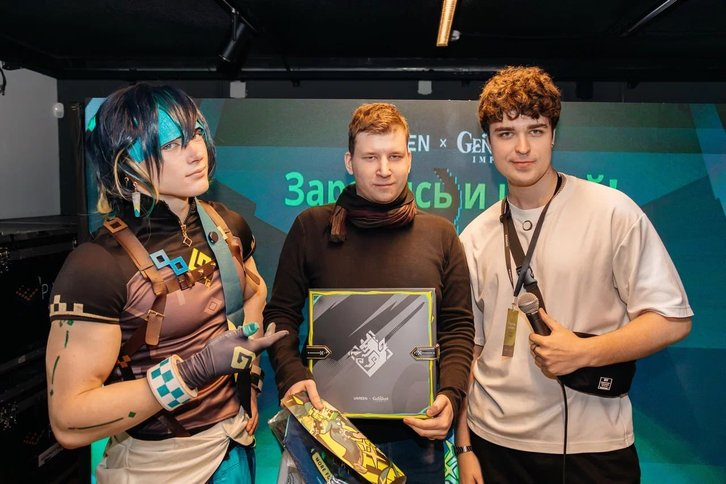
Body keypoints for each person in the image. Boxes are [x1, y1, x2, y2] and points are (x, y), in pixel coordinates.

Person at [455, 66, 693, 483]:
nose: (522, 147)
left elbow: (672, 319)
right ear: (489, 143)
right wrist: (465, 447)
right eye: (506, 133)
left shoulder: (612, 212)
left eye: (535, 130)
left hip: (593, 447)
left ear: (553, 135)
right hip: (493, 445)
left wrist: (585, 353)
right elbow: (469, 351)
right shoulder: (474, 236)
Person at [45, 83, 287, 483]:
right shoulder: (96, 265)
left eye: (196, 134)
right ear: (127, 164)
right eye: (171, 144)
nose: (196, 152)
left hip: (234, 443)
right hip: (159, 466)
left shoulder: (226, 225)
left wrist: (249, 382)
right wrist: (193, 372)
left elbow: (254, 293)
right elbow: (69, 421)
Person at [263, 102, 475, 480]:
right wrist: (292, 375)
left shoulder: (441, 235)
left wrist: (451, 395)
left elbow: (457, 328)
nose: (384, 169)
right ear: (350, 162)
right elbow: (280, 315)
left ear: (409, 160)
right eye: (370, 157)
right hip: (328, 435)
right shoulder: (311, 228)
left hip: (417, 438)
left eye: (395, 156)